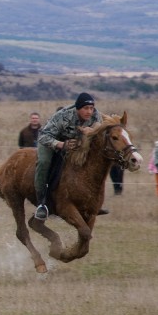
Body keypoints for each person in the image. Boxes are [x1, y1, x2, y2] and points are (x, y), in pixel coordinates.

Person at [34, 92, 102, 221]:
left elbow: (99, 135)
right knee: (44, 163)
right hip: (52, 141)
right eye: (85, 108)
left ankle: (91, 203)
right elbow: (43, 136)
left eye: (91, 108)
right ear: (78, 109)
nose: (89, 112)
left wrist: (92, 134)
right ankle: (42, 203)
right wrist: (60, 144)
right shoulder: (63, 116)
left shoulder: (96, 116)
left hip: (75, 143)